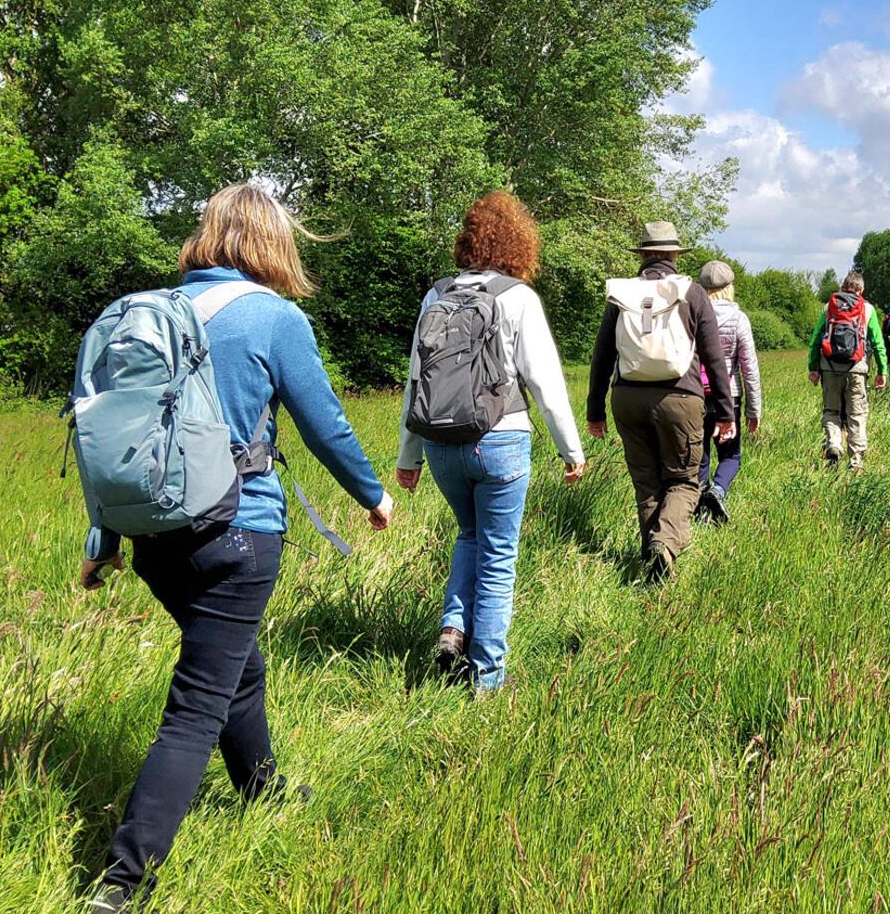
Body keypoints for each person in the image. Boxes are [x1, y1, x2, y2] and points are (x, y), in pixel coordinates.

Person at [87, 184, 393, 914]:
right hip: (238, 532)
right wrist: (372, 494)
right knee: (196, 704)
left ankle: (261, 788)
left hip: (155, 536)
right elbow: (325, 422)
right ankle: (122, 881)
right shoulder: (272, 316)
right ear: (271, 243)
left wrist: (103, 540)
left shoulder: (144, 313)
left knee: (234, 666)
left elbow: (108, 439)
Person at [395, 192, 586, 693]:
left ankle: (453, 629)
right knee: (498, 554)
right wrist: (571, 449)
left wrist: (407, 456)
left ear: (467, 241)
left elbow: (417, 381)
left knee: (468, 535)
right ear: (519, 244)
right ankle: (487, 680)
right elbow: (545, 382)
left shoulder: (436, 296)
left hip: (439, 443)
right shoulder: (517, 296)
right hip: (500, 439)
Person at [586, 223, 734, 583]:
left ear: (643, 256)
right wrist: (726, 413)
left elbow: (602, 355)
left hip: (627, 397)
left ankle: (652, 557)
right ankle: (664, 545)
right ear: (672, 255)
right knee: (683, 481)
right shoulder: (692, 293)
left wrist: (595, 410)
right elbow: (714, 358)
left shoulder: (621, 294)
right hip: (679, 397)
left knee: (646, 481)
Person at [695, 260, 762, 525]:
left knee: (700, 455)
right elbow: (750, 367)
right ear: (729, 287)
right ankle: (718, 490)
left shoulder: (692, 314)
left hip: (695, 393)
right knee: (731, 455)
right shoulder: (738, 319)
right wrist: (754, 409)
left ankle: (700, 507)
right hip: (729, 396)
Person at [808, 271, 889, 470]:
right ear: (861, 290)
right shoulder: (867, 309)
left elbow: (816, 339)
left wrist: (813, 367)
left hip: (829, 367)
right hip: (857, 369)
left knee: (831, 411)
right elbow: (878, 343)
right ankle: (856, 462)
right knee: (857, 414)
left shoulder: (829, 307)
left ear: (843, 287)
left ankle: (834, 443)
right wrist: (882, 371)